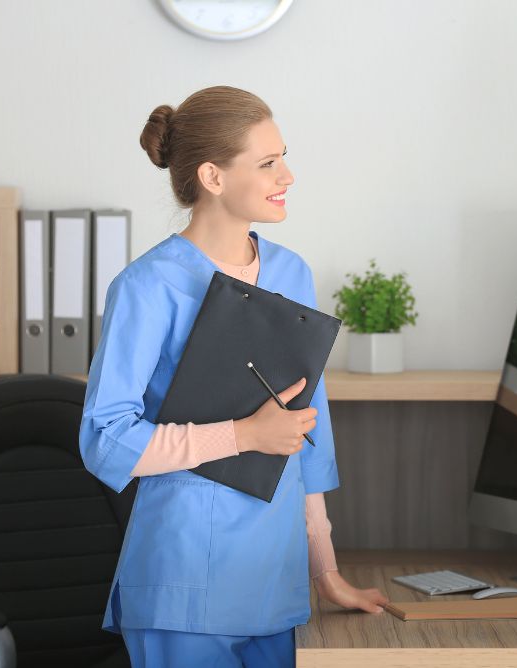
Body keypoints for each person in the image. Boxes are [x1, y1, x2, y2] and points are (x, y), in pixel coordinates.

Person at [79, 85, 388, 668]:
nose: (288, 175)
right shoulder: (147, 287)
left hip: (274, 581)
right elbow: (105, 439)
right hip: (185, 582)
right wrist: (243, 435)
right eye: (268, 163)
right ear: (213, 177)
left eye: (284, 157)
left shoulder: (291, 273)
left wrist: (325, 570)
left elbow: (306, 435)